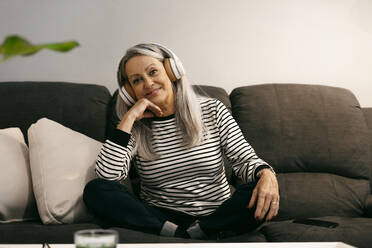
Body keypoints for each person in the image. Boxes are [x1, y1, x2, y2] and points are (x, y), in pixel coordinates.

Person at [83, 43, 279, 239]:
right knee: (96, 190)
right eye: (137, 81)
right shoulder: (134, 128)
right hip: (162, 218)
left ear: (172, 71)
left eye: (153, 72)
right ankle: (187, 233)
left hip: (218, 214)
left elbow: (245, 161)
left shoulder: (213, 110)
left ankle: (201, 230)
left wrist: (267, 175)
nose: (149, 83)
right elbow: (107, 177)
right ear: (129, 91)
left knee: (261, 187)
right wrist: (129, 118)